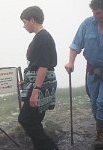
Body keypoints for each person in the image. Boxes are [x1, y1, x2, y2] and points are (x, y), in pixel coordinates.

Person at [18, 6, 58, 150]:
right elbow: (37, 66)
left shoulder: (43, 38)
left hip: (41, 85)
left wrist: (35, 90)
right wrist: (27, 80)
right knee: (34, 121)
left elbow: (43, 66)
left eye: (24, 22)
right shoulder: (40, 37)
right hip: (39, 82)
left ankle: (50, 147)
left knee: (26, 119)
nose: (23, 26)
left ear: (32, 20)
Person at [65, 0, 103, 149]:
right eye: (93, 12)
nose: (95, 15)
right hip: (92, 72)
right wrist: (71, 62)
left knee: (101, 103)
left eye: (98, 12)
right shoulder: (87, 24)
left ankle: (100, 133)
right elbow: (76, 44)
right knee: (94, 104)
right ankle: (100, 127)